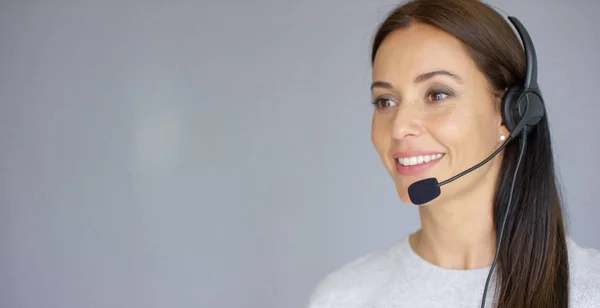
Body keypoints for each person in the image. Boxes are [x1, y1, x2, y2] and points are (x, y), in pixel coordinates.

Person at [307, 0, 600, 307]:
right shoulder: (343, 297)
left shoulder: (589, 292)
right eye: (385, 101)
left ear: (511, 113)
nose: (399, 127)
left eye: (437, 94)